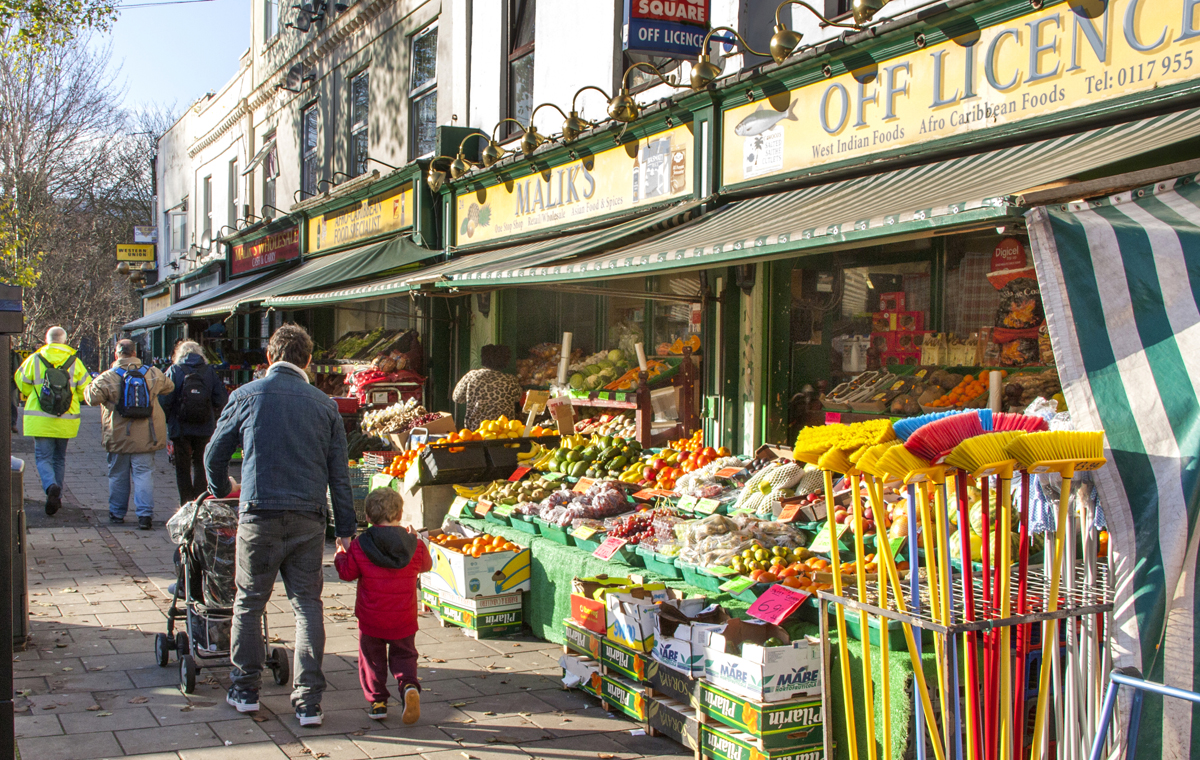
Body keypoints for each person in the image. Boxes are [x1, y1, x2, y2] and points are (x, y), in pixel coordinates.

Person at [205, 323, 355, 728]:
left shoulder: (247, 395)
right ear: (307, 360)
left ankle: (245, 689)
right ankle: (308, 702)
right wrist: (345, 531)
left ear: (269, 358)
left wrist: (224, 489)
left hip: (258, 514)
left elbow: (213, 456)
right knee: (307, 607)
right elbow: (339, 475)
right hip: (308, 517)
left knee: (250, 602)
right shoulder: (325, 405)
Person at [334, 488, 431, 723]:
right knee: (405, 655)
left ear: (367, 517)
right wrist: (418, 539)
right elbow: (426, 565)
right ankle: (409, 686)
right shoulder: (412, 544)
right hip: (404, 617)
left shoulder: (360, 544)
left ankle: (377, 702)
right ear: (400, 513)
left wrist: (340, 553)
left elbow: (347, 573)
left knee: (371, 659)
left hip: (371, 618)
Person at [84, 339, 174, 529]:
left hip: (118, 436)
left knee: (117, 475)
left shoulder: (108, 376)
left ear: (116, 355)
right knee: (144, 474)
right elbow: (169, 386)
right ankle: (145, 515)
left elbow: (91, 398)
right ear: (135, 353)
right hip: (147, 436)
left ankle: (116, 513)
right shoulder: (152, 373)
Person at [14, 327, 92, 515]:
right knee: (59, 458)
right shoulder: (75, 362)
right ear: (65, 340)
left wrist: (32, 392)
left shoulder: (34, 359)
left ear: (46, 340)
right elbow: (86, 390)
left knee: (43, 457)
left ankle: (50, 488)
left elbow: (21, 382)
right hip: (66, 419)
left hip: (39, 419)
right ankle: (58, 496)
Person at [161, 341, 228, 504]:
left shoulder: (174, 370)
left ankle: (185, 502)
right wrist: (212, 413)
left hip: (180, 427)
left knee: (182, 467)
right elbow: (221, 398)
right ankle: (200, 500)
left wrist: (169, 421)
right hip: (204, 426)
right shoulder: (209, 371)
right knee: (201, 464)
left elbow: (165, 400)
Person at [451, 344, 521, 430]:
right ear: (505, 361)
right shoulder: (510, 380)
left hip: (477, 430)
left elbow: (457, 397)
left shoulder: (472, 376)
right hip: (504, 430)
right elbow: (518, 398)